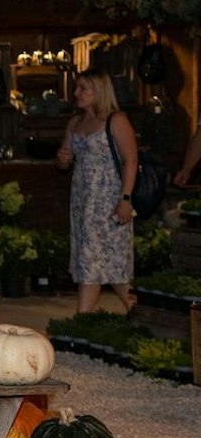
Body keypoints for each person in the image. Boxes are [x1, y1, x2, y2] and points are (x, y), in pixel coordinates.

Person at [57, 72, 136, 313]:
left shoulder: (116, 120)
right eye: (78, 88)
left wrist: (125, 199)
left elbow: (131, 160)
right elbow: (65, 161)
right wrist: (62, 159)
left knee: (113, 265)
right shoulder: (75, 123)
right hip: (83, 201)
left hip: (108, 200)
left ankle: (84, 320)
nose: (77, 93)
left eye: (83, 88)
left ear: (99, 91)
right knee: (90, 262)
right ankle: (88, 320)